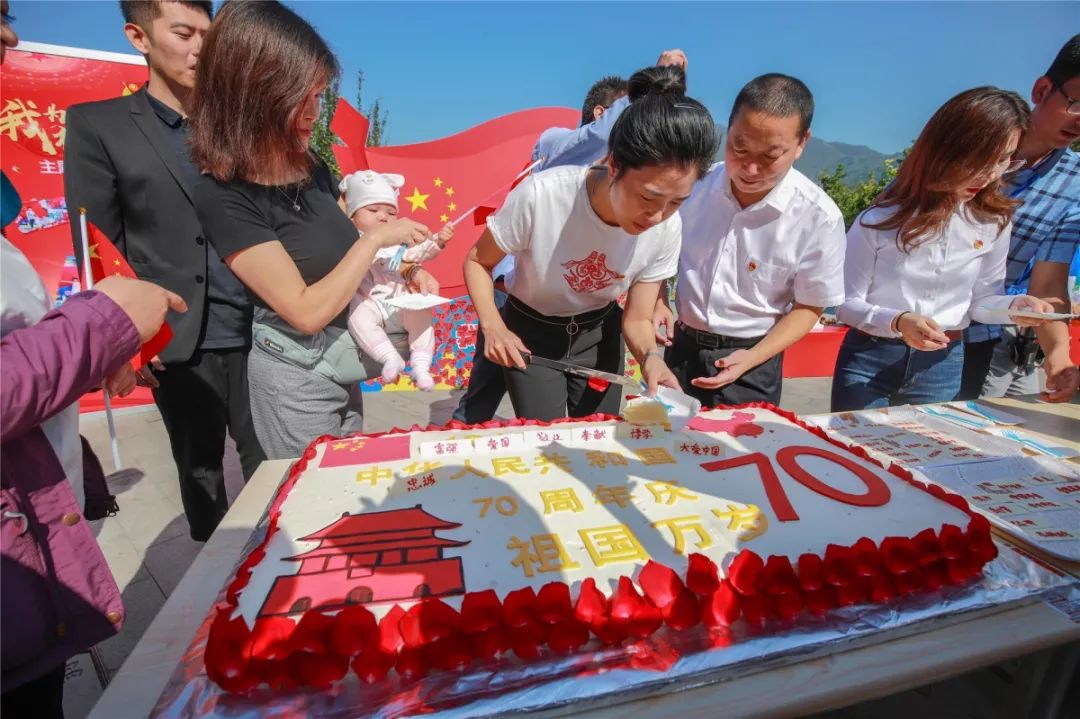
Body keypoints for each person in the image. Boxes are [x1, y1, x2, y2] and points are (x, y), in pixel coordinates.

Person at [189, 1, 434, 459]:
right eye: (300, 96)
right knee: (311, 508)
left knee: (349, 485)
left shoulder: (313, 167)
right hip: (294, 381)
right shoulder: (224, 193)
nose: (313, 113)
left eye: (320, 96)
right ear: (251, 92)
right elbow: (305, 311)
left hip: (341, 364)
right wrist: (378, 239)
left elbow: (346, 265)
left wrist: (401, 273)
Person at [63, 0, 266, 542]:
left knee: (272, 464)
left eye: (209, 34)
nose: (201, 47)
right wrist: (124, 344)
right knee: (200, 470)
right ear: (139, 36)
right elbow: (96, 245)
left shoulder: (242, 129)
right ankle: (214, 594)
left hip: (263, 328)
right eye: (184, 32)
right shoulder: (98, 126)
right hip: (177, 335)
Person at [453, 53, 688, 424]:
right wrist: (493, 326)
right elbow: (477, 261)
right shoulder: (542, 196)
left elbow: (639, 318)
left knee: (596, 441)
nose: (657, 216)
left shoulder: (667, 227)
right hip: (530, 333)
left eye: (676, 201)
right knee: (548, 442)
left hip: (599, 335)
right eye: (647, 197)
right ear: (614, 165)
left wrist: (651, 359)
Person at [831, 88, 1054, 410]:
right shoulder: (879, 221)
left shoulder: (993, 221)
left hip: (943, 362)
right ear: (946, 149)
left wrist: (1016, 305)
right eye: (980, 159)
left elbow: (981, 303)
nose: (990, 173)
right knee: (855, 450)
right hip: (870, 358)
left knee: (927, 454)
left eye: (1004, 159)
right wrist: (898, 321)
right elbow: (844, 304)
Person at [656, 74, 846, 407]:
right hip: (681, 349)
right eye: (738, 148)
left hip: (753, 360)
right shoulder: (695, 189)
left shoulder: (818, 217)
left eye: (771, 156)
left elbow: (810, 306)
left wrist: (755, 356)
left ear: (802, 143)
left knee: (738, 453)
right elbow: (657, 252)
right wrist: (658, 299)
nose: (750, 169)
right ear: (727, 129)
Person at [960, 34, 1080, 403]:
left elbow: (1048, 285)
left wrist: (1059, 356)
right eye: (1077, 103)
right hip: (928, 329)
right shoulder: (971, 144)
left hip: (999, 337)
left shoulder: (1074, 183)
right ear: (1042, 90)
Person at [341, 170, 454, 390]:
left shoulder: (397, 244)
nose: (383, 217)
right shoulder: (351, 241)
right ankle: (388, 357)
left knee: (421, 314)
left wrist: (438, 241)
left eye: (391, 213)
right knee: (358, 315)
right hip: (369, 300)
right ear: (352, 214)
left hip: (399, 300)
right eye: (373, 210)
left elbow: (418, 253)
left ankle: (421, 366)